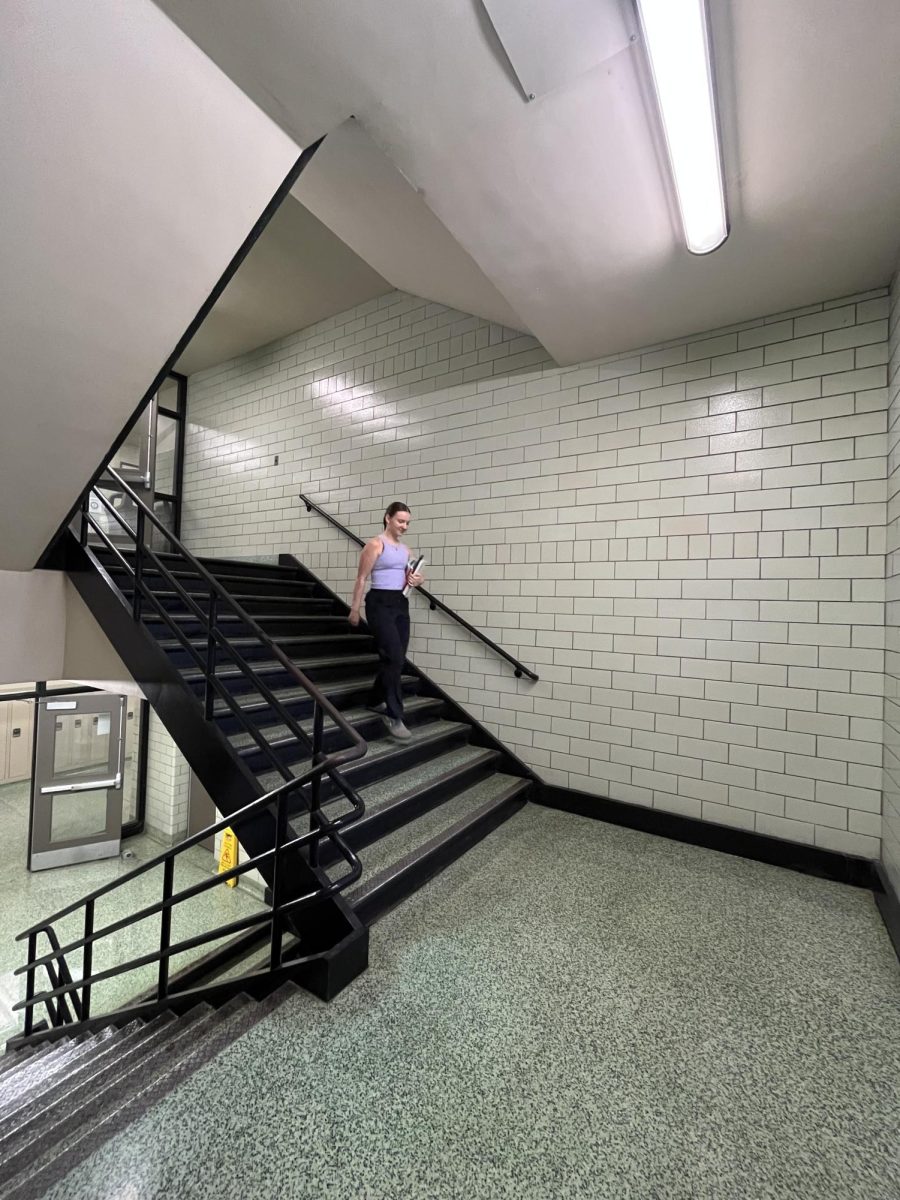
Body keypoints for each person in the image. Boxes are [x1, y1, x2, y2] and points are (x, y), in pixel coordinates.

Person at [349, 502, 424, 740]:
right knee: (393, 656)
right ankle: (394, 714)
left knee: (397, 658)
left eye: (407, 522)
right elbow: (361, 578)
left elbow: (408, 578)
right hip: (379, 603)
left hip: (400, 604)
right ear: (387, 519)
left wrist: (416, 580)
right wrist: (354, 609)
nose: (405, 526)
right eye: (401, 521)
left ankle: (374, 700)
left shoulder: (406, 551)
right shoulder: (375, 544)